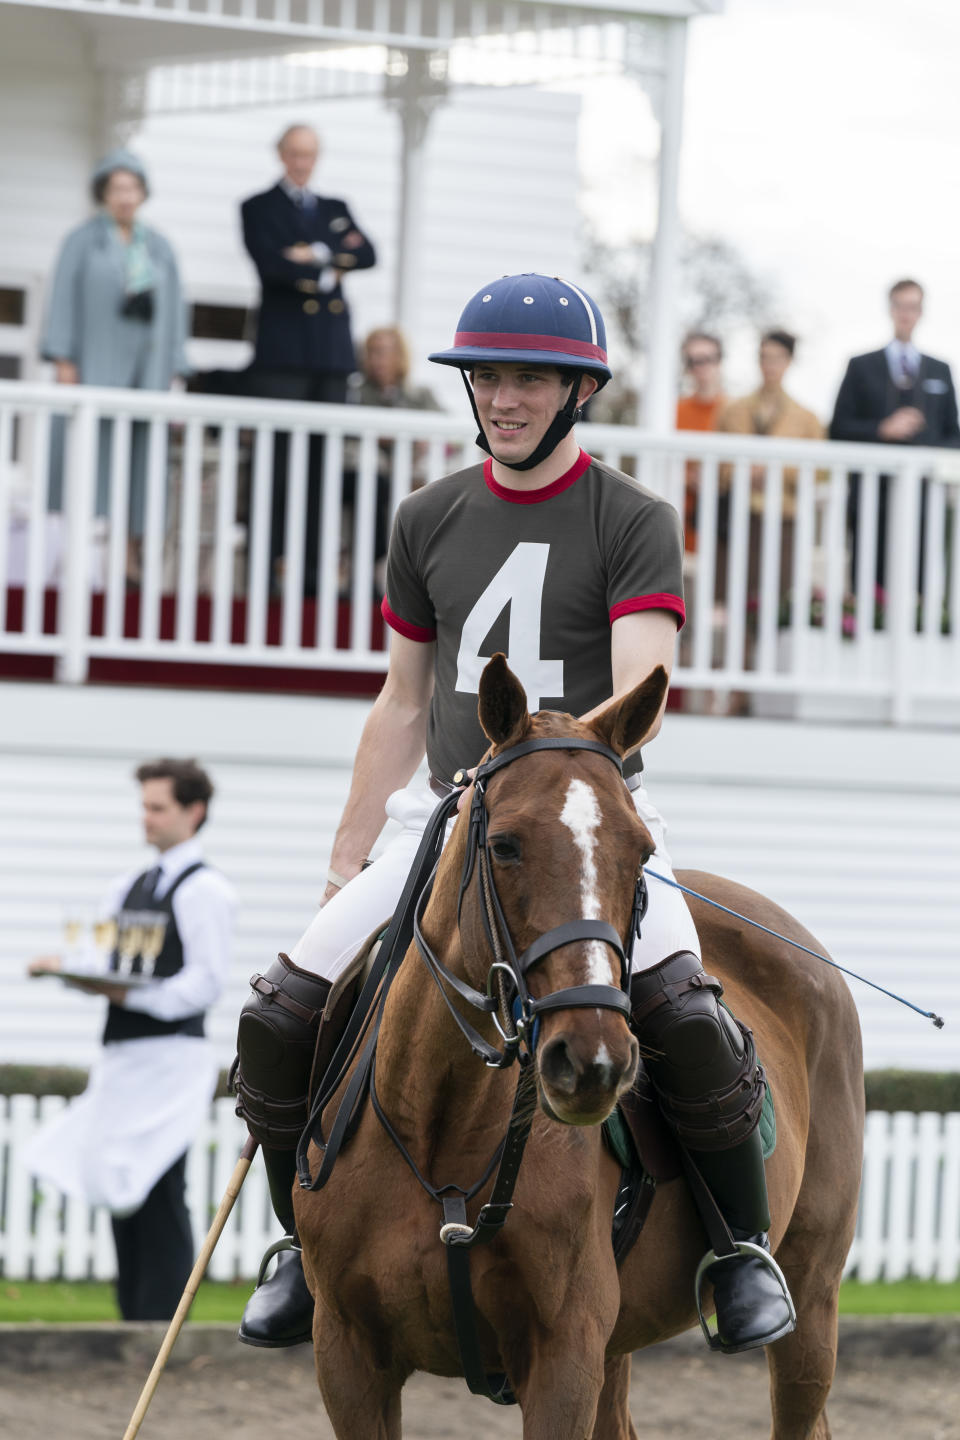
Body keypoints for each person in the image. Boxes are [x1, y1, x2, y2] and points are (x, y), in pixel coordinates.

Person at [232, 273, 796, 1357]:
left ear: (577, 391)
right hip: (440, 816)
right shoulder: (426, 516)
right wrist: (349, 852)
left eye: (530, 378)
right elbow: (401, 700)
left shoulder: (633, 519)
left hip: (589, 815)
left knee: (683, 1011)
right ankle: (304, 1243)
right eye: (488, 376)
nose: (504, 396)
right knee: (279, 1011)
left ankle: (737, 1246)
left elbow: (642, 695)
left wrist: (544, 775)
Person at [25, 759, 236, 1322]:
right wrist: (67, 970)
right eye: (143, 806)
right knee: (122, 1181)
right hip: (123, 1057)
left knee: (161, 1181)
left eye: (157, 807)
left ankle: (161, 1321)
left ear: (194, 812)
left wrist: (125, 997)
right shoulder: (129, 885)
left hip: (173, 1058)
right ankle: (131, 1314)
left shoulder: (205, 890)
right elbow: (107, 963)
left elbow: (203, 984)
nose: (145, 818)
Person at [241, 124, 376, 593]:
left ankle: (316, 571)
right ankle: (268, 568)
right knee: (276, 466)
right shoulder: (258, 208)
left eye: (310, 154)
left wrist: (314, 253)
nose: (302, 163)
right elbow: (271, 266)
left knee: (323, 467)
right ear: (280, 154)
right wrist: (334, 260)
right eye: (295, 154)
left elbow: (369, 254)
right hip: (282, 355)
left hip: (331, 354)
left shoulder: (334, 208)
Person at [41, 150, 188, 565]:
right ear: (103, 194)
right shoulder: (82, 240)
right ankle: (80, 553)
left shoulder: (159, 247)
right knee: (89, 458)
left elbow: (176, 308)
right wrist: (63, 358)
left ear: (143, 193)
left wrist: (176, 366)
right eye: (116, 189)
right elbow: (62, 299)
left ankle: (130, 554)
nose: (125, 197)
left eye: (132, 188)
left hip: (148, 370)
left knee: (142, 462)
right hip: (94, 366)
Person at [829, 279, 960, 586]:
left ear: (921, 312)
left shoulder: (940, 370)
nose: (906, 313)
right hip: (870, 500)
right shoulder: (861, 365)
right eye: (900, 305)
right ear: (890, 309)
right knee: (868, 578)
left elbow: (954, 437)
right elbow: (838, 428)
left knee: (920, 580)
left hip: (925, 500)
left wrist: (926, 447)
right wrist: (882, 429)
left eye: (912, 306)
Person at [716, 329, 823, 602]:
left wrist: (774, 472)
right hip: (738, 516)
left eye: (777, 358)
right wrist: (742, 472)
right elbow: (718, 461)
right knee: (730, 596)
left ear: (789, 362)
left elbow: (818, 472)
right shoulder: (734, 409)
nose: (770, 365)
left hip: (783, 518)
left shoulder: (807, 418)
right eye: (765, 357)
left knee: (777, 599)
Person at [343, 326, 443, 593]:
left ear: (400, 356)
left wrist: (423, 441)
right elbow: (348, 440)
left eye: (384, 352)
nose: (377, 360)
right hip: (373, 482)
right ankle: (372, 570)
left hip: (414, 479)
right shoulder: (355, 395)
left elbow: (450, 437)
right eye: (372, 353)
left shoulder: (419, 395)